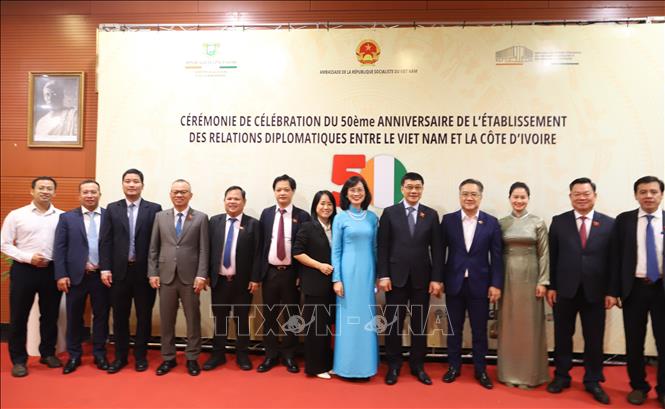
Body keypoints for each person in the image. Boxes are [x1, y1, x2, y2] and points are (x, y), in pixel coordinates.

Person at [546, 177, 615, 405]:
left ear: (595, 195)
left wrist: (611, 291)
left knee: (594, 339)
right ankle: (561, 376)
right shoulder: (559, 221)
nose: (582, 198)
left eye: (586, 194)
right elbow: (553, 256)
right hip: (564, 290)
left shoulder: (609, 224)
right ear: (570, 197)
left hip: (596, 292)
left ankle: (593, 380)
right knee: (562, 337)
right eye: (577, 194)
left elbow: (614, 261)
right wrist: (552, 286)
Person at [378, 172, 443, 386]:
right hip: (395, 279)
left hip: (422, 280)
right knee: (394, 324)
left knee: (419, 324)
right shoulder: (390, 213)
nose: (413, 191)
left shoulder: (431, 215)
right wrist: (383, 274)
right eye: (409, 187)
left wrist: (436, 278)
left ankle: (417, 365)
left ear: (422, 189)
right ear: (402, 189)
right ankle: (394, 365)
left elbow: (437, 249)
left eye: (417, 187)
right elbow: (383, 247)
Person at [440, 178, 503, 389]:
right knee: (453, 329)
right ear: (459, 196)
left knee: (479, 330)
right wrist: (437, 279)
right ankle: (453, 367)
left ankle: (480, 369)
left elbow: (497, 256)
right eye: (465, 194)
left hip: (480, 284)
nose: (469, 198)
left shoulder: (491, 222)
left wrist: (496, 284)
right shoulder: (448, 221)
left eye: (473, 194)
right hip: (454, 282)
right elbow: (439, 253)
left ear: (480, 197)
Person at [609, 176, 664, 408]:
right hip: (634, 289)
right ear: (636, 195)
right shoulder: (624, 221)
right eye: (643, 192)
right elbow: (615, 257)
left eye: (653, 191)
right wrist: (613, 291)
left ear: (661, 194)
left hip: (662, 289)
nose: (648, 196)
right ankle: (639, 387)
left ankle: (663, 390)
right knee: (634, 342)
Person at [99, 168, 162, 374]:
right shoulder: (112, 208)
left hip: (145, 273)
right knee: (120, 317)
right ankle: (120, 356)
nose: (132, 184)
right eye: (128, 181)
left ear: (142, 185)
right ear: (122, 184)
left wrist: (155, 270)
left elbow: (158, 242)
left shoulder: (154, 209)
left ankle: (141, 356)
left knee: (144, 316)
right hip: (119, 273)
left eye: (136, 181)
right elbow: (105, 241)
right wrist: (105, 268)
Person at [1, 176, 64, 377]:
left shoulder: (62, 216)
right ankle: (19, 360)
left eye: (49, 188)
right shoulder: (16, 215)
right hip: (24, 270)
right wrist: (28, 258)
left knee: (50, 315)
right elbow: (4, 244)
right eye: (41, 188)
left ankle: (47, 353)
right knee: (19, 316)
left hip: (51, 270)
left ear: (55, 192)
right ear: (32, 191)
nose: (45, 191)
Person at [148, 179, 209, 376]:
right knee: (167, 320)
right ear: (170, 194)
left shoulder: (200, 218)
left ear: (190, 195)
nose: (179, 195)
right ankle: (168, 358)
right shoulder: (160, 217)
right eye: (176, 192)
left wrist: (201, 275)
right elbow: (153, 248)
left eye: (183, 192)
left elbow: (204, 249)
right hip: (165, 277)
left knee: (193, 319)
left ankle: (192, 357)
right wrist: (153, 272)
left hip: (191, 278)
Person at [53, 179, 110, 374]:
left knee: (101, 316)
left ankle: (100, 353)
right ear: (79, 195)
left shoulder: (109, 216)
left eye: (94, 192)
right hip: (76, 276)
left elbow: (113, 245)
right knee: (74, 316)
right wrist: (61, 274)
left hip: (101, 276)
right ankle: (74, 354)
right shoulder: (67, 218)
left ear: (100, 194)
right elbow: (59, 248)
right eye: (86, 192)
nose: (90, 195)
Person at [497, 182, 550, 388]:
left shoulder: (538, 222)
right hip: (507, 277)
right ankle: (508, 374)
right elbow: (495, 253)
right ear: (509, 198)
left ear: (528, 199)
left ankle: (530, 375)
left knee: (530, 325)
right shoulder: (501, 223)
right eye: (515, 197)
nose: (519, 201)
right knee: (508, 325)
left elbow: (544, 254)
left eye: (523, 197)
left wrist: (543, 281)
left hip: (531, 276)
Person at [204, 186, 262, 372]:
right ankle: (218, 354)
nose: (232, 202)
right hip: (219, 281)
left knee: (242, 319)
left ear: (244, 202)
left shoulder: (253, 224)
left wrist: (255, 278)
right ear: (224, 201)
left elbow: (258, 254)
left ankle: (242, 355)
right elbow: (207, 250)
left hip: (242, 283)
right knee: (219, 319)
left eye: (237, 199)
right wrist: (206, 274)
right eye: (229, 198)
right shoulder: (214, 222)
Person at [257, 174, 311, 373]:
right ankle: (270, 355)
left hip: (291, 274)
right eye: (278, 189)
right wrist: (259, 274)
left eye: (286, 189)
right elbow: (261, 245)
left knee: (292, 316)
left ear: (292, 192)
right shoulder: (266, 214)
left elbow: (306, 248)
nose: (282, 193)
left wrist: (301, 275)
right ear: (274, 192)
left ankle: (289, 355)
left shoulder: (302, 216)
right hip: (270, 273)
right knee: (269, 315)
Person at [331, 175, 379, 379]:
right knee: (347, 321)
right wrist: (337, 279)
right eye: (352, 190)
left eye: (360, 190)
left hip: (367, 273)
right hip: (347, 274)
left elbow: (375, 248)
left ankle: (366, 367)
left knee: (366, 319)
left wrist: (378, 276)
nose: (356, 193)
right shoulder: (340, 218)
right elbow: (336, 250)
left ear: (366, 193)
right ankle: (345, 367)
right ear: (346, 194)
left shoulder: (372, 218)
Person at [293, 190, 337, 379]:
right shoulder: (308, 226)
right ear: (315, 206)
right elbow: (297, 252)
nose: (326, 207)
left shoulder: (337, 226)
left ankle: (327, 363)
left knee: (327, 327)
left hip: (333, 286)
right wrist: (319, 266)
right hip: (314, 284)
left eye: (329, 204)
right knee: (316, 328)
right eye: (322, 203)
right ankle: (315, 367)